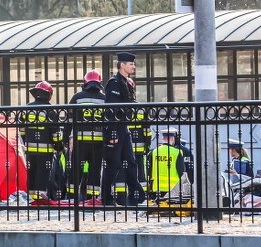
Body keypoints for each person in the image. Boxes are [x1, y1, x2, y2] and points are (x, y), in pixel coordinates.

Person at [101, 52, 147, 206]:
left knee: (131, 162)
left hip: (124, 127)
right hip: (116, 129)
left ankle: (137, 196)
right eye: (130, 64)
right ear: (122, 65)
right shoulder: (114, 83)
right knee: (113, 165)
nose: (133, 66)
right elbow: (111, 110)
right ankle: (106, 198)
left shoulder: (126, 82)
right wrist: (112, 133)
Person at [20, 80, 66, 200]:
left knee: (31, 174)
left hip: (29, 149)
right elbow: (55, 134)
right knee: (43, 175)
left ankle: (31, 199)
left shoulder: (27, 108)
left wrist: (26, 143)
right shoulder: (50, 110)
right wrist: (59, 147)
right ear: (49, 94)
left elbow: (22, 131)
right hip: (45, 151)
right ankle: (40, 199)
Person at [66, 69, 106, 200]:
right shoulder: (104, 98)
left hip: (80, 141)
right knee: (95, 171)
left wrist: (66, 139)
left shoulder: (77, 97)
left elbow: (68, 121)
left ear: (85, 82)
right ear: (99, 82)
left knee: (76, 170)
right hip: (98, 142)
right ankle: (92, 199)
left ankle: (72, 198)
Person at [146, 128, 187, 197]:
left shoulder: (154, 152)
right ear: (173, 138)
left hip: (156, 188)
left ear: (163, 139)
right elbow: (182, 171)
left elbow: (148, 170)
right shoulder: (177, 152)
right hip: (172, 188)